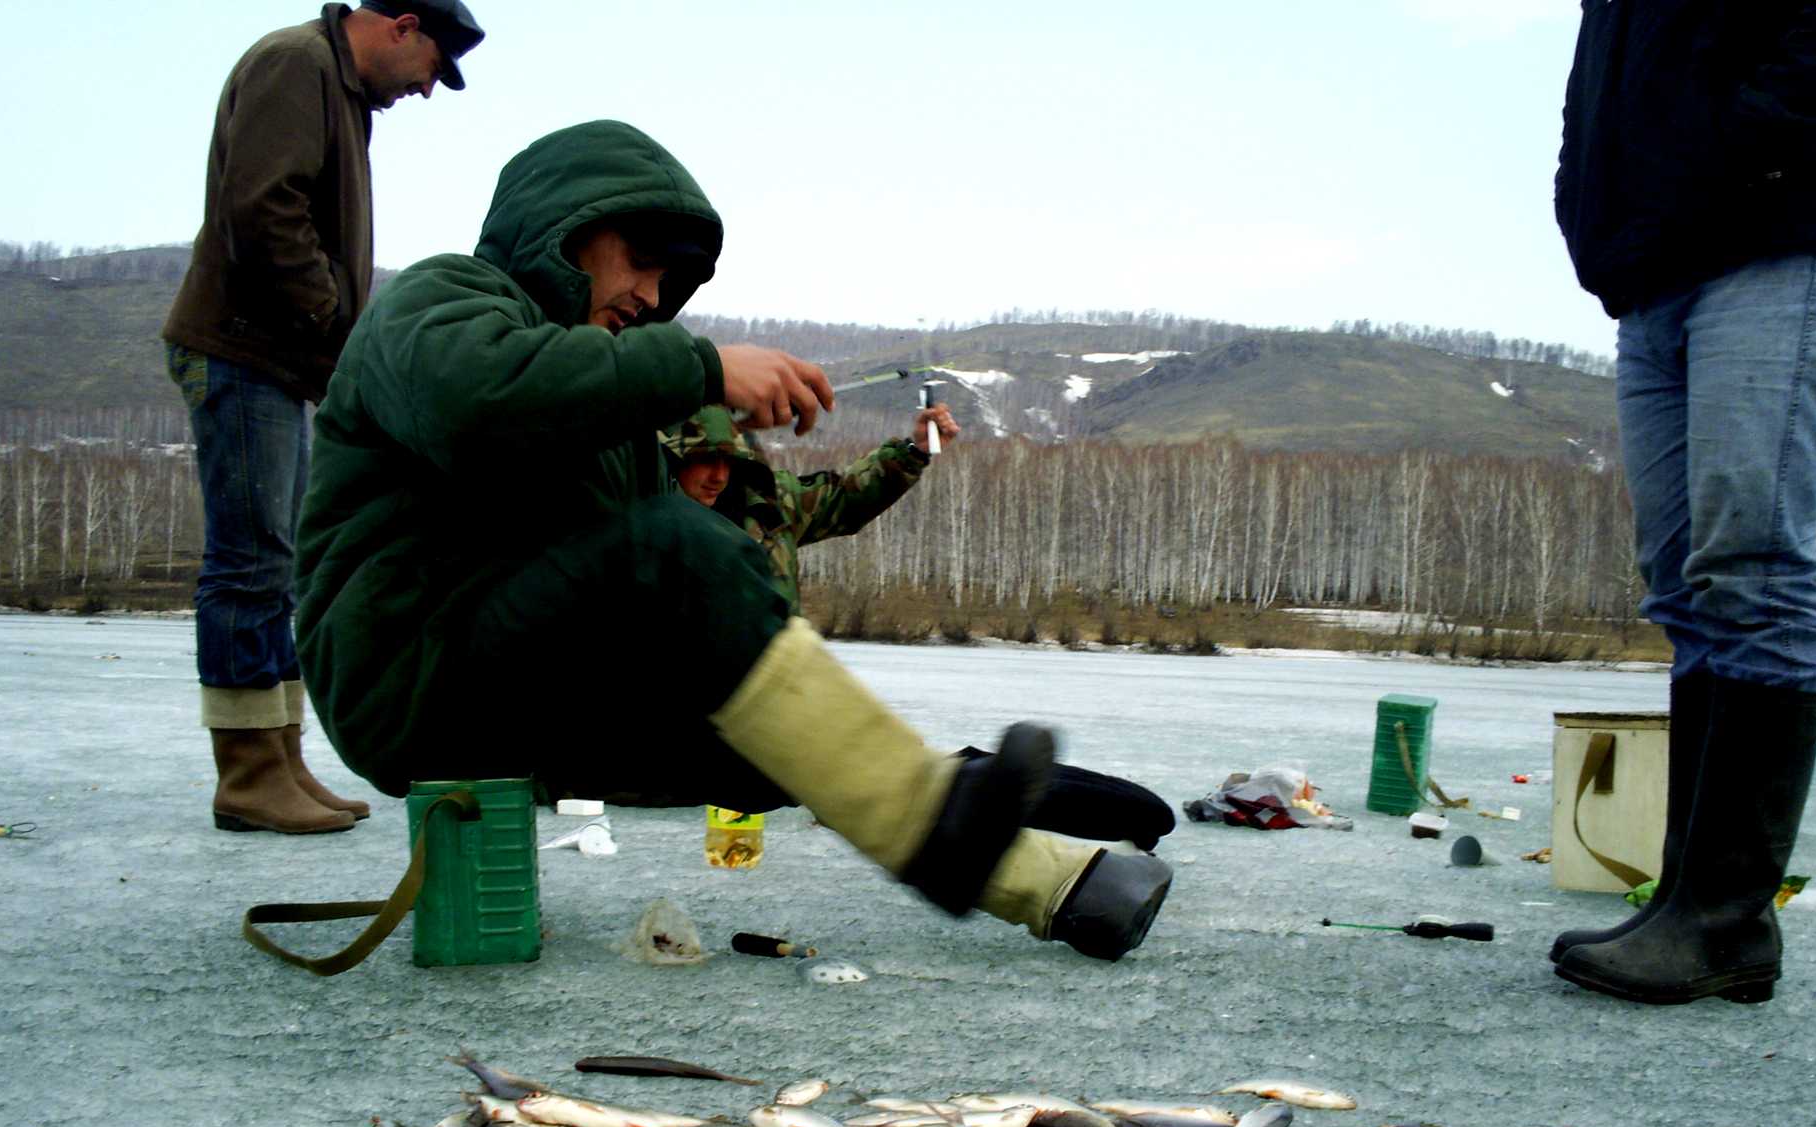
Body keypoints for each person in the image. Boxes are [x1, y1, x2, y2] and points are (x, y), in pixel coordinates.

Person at [293, 119, 1172, 959]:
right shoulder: (443, 297)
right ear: (561, 232)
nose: (650, 296)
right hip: (407, 676)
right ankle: (932, 813)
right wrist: (705, 368)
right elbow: (474, 402)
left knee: (767, 748)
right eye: (640, 262)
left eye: (672, 286)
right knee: (679, 544)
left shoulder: (612, 425)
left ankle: (1055, 887)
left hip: (511, 694)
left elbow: (644, 591)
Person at [1550, 4, 1816, 1004]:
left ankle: (1726, 920)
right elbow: (1600, 103)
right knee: (1683, 579)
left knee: (1754, 563)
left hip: (1774, 235)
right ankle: (1685, 906)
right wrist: (1593, 223)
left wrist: (1728, 163)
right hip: (1653, 271)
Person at [164, 0, 485, 835]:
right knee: (248, 562)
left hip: (276, 361)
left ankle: (281, 757)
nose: (426, 91)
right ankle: (245, 773)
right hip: (244, 350)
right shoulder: (296, 64)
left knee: (279, 561)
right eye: (432, 69)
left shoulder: (333, 85)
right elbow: (262, 207)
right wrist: (329, 314)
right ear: (403, 25)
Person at [663, 403, 1178, 851]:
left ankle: (1028, 796)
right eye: (699, 461)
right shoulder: (638, 525)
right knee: (892, 786)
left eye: (725, 460)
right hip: (689, 714)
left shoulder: (767, 507)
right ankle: (995, 792)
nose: (716, 476)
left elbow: (847, 497)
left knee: (904, 785)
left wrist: (914, 450)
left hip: (777, 703)